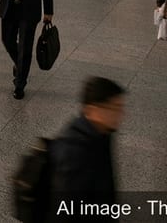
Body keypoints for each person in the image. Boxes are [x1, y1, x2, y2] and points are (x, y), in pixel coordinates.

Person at [49, 77, 125, 210]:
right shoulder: (74, 153)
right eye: (114, 108)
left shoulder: (103, 132)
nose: (121, 114)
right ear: (93, 109)